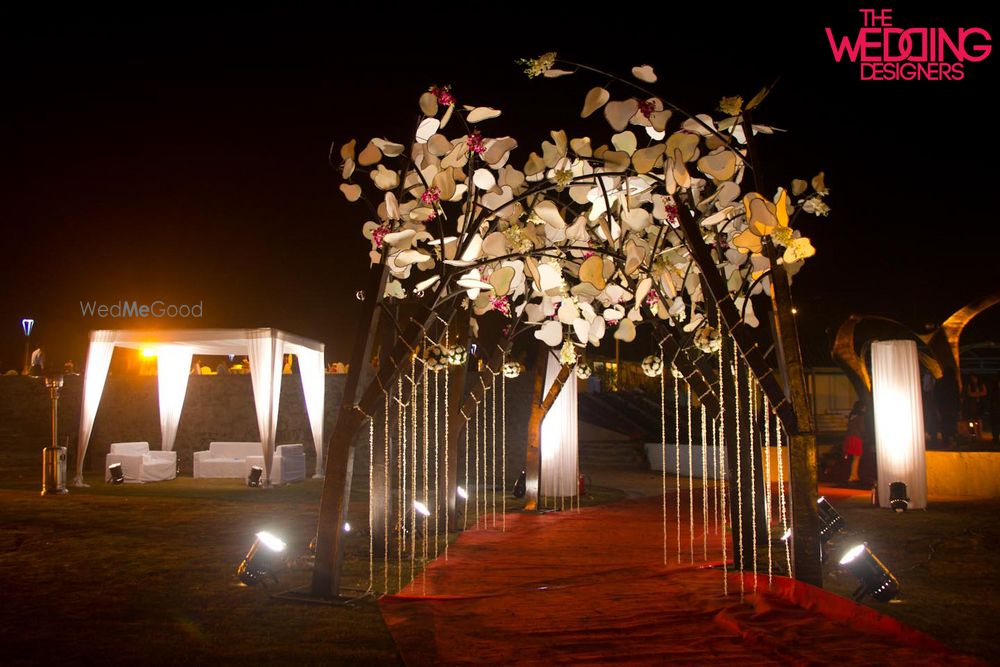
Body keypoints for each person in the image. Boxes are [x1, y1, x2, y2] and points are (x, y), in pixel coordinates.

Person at [843, 400, 866, 485]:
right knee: (857, 458)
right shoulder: (860, 417)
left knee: (853, 458)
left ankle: (854, 475)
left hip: (850, 437)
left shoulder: (852, 416)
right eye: (864, 407)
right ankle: (853, 476)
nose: (865, 409)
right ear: (861, 407)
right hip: (857, 438)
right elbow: (862, 428)